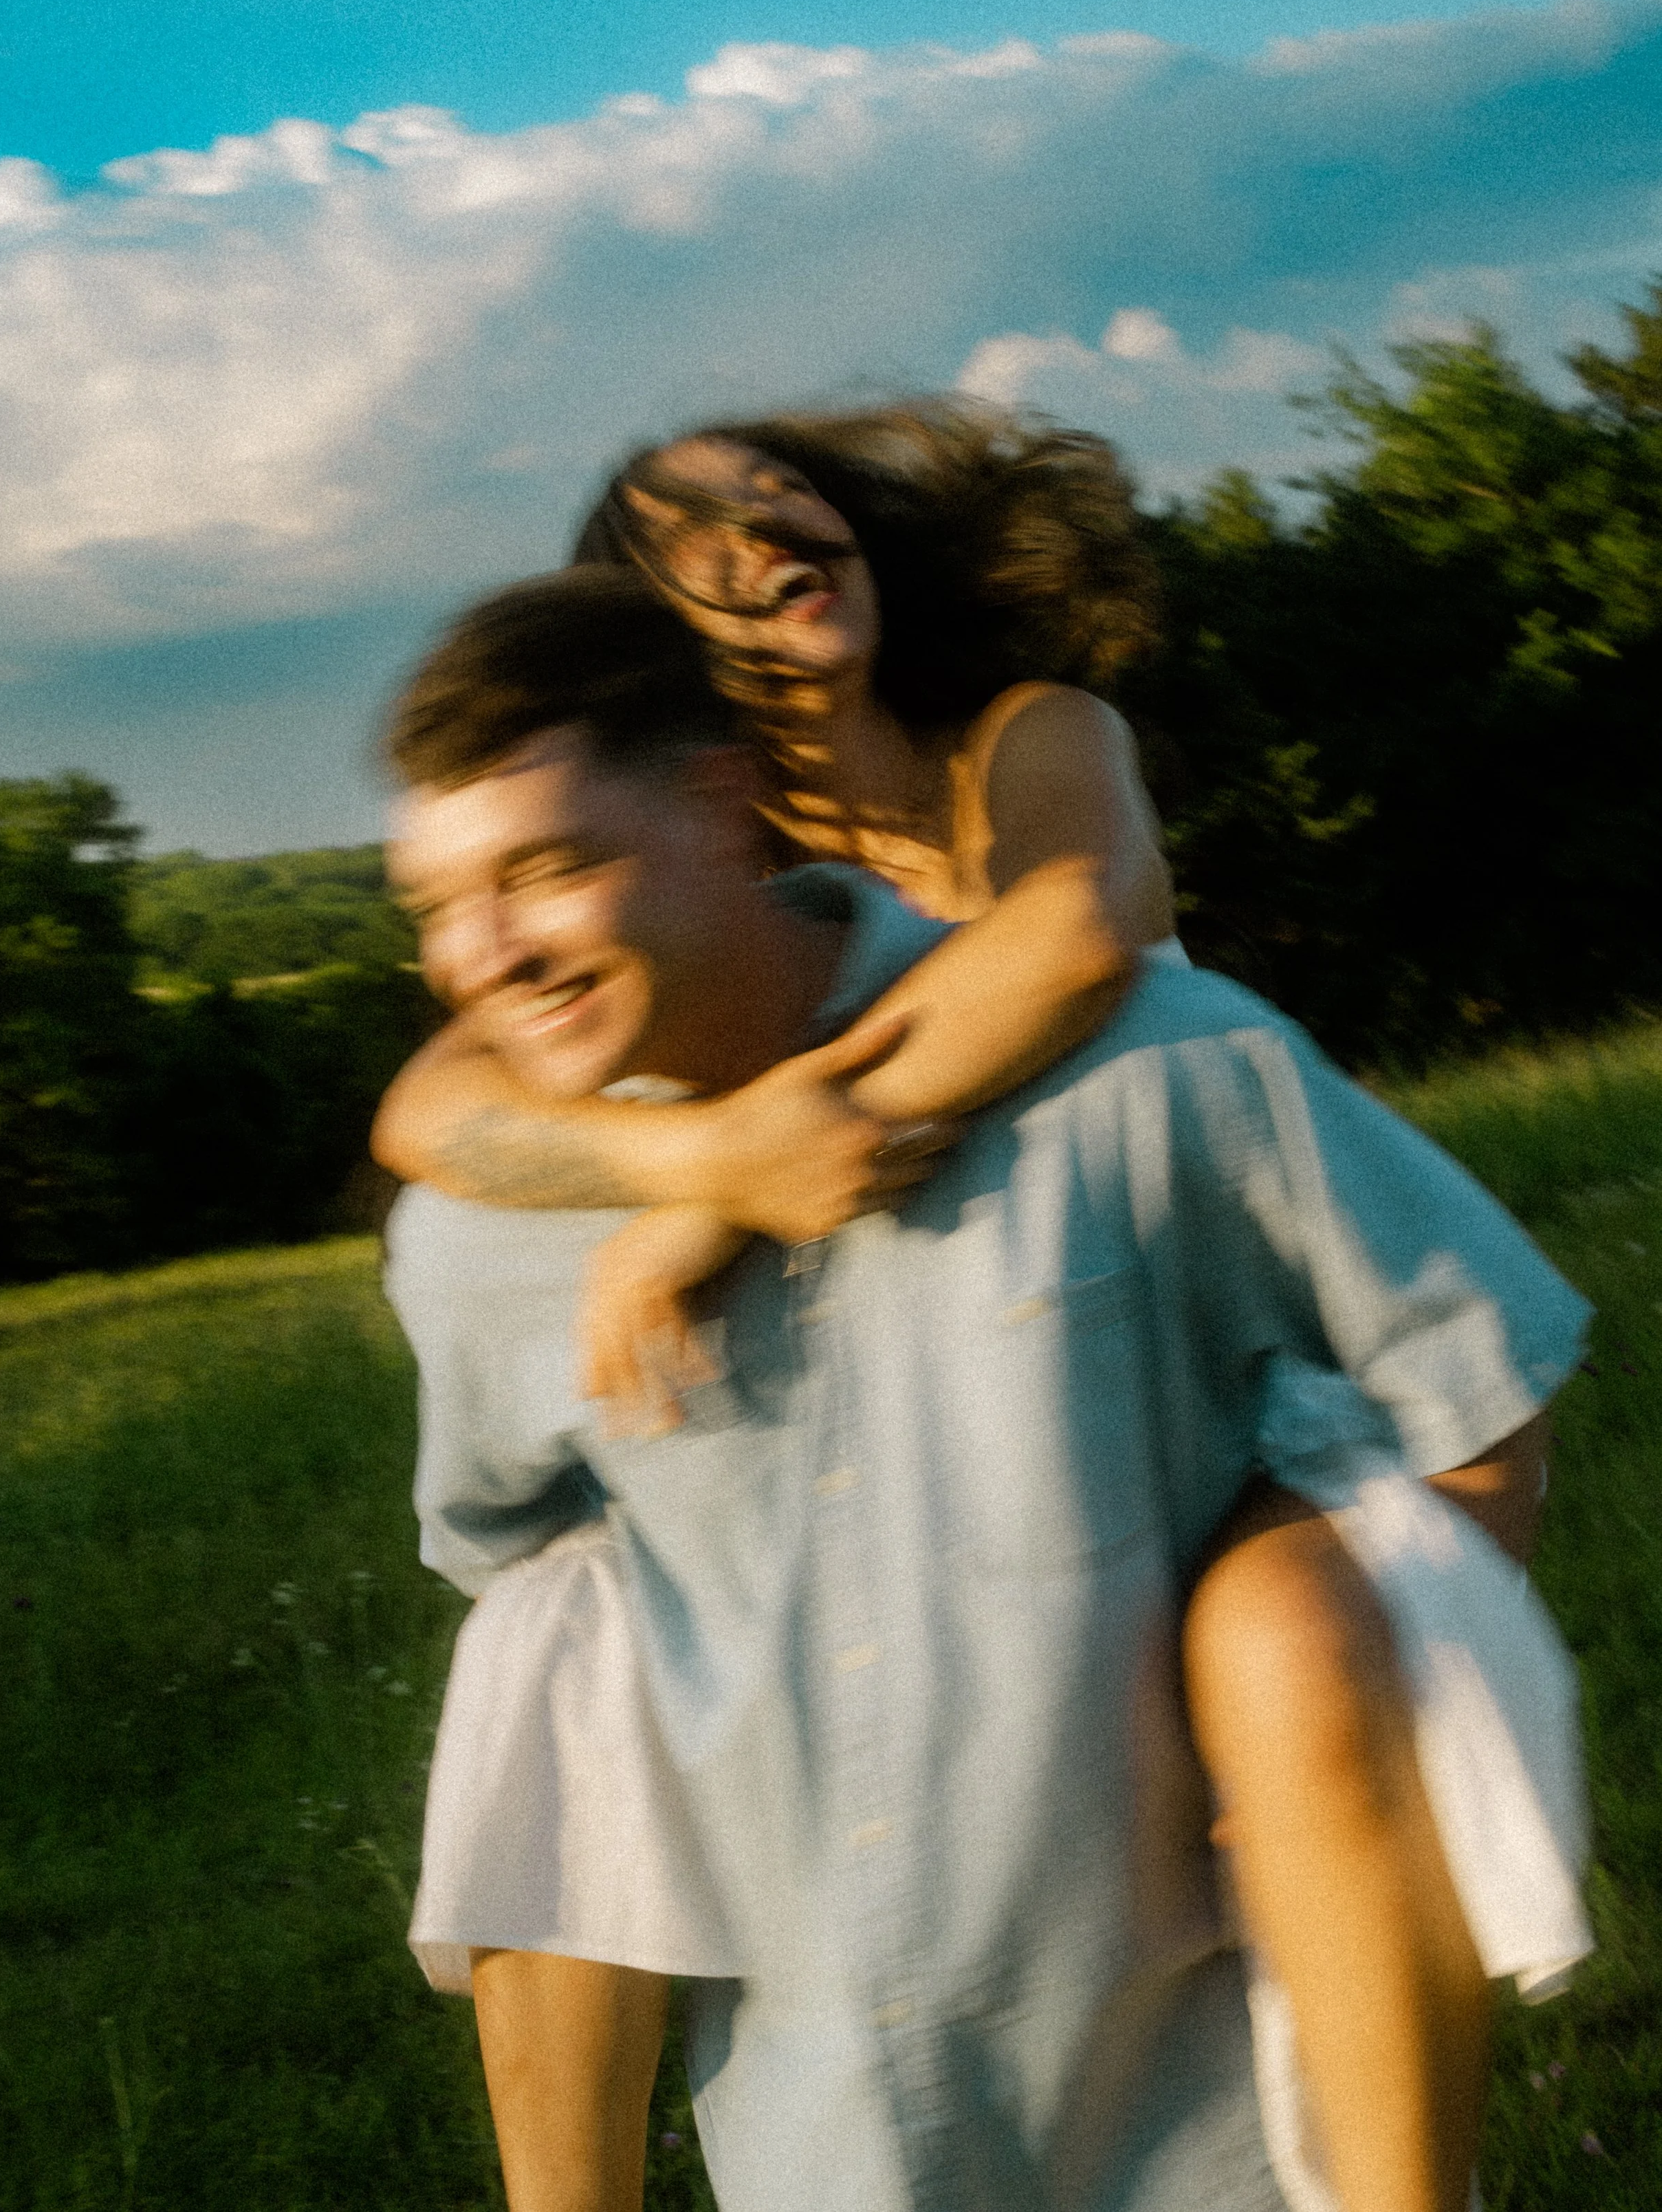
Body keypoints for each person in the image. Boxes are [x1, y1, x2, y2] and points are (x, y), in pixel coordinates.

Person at [377, 410, 1590, 2212]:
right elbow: (431, 1109)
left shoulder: (1017, 742)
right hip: (890, 1374)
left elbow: (1081, 934)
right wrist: (696, 1161)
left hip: (1175, 1344)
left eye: (775, 489)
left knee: (1278, 1645)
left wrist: (738, 1175)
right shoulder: (641, 866)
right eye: (688, 528)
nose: (757, 524)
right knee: (559, 1632)